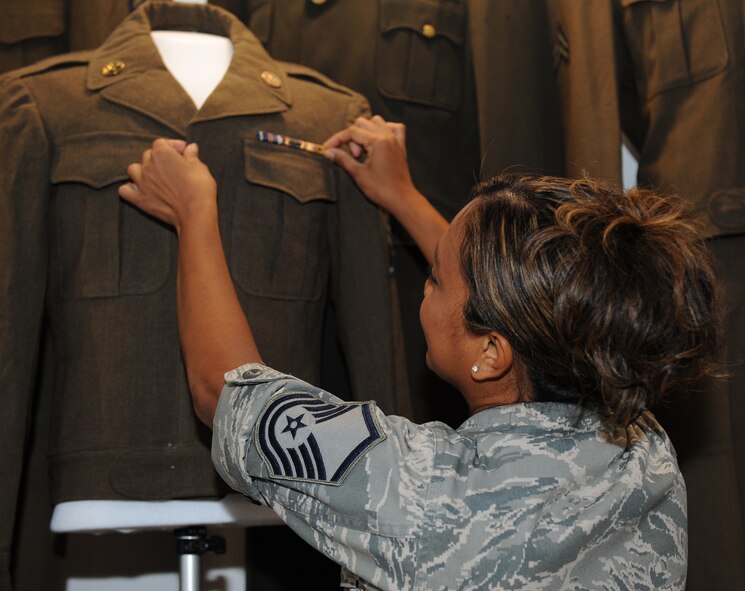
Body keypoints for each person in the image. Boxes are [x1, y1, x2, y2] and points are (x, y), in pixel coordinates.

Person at [119, 116, 719, 590]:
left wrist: (193, 214)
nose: (423, 289)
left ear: (491, 351)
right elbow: (539, 303)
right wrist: (401, 195)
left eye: (433, 278)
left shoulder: (419, 490)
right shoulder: (643, 444)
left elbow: (223, 393)